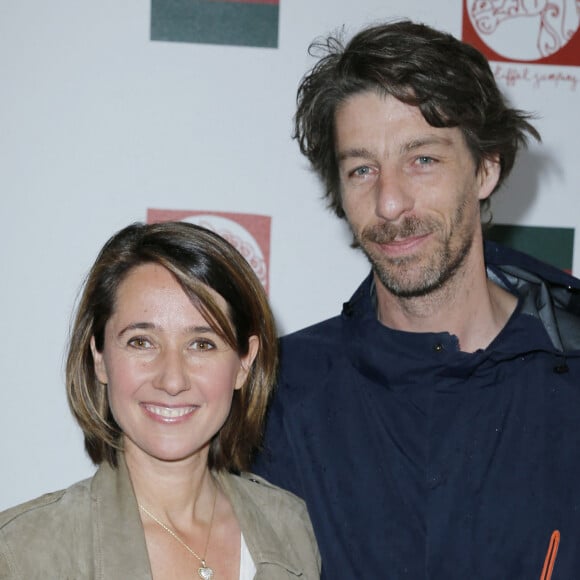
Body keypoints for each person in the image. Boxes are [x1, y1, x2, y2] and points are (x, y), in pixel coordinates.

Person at [252, 19, 580, 580]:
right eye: (362, 169)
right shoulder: (276, 395)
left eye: (422, 159)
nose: (389, 201)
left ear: (485, 168)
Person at [0, 221, 320, 580]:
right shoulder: (23, 553)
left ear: (244, 364)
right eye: (142, 341)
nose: (172, 380)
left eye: (202, 344)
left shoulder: (289, 526)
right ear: (101, 358)